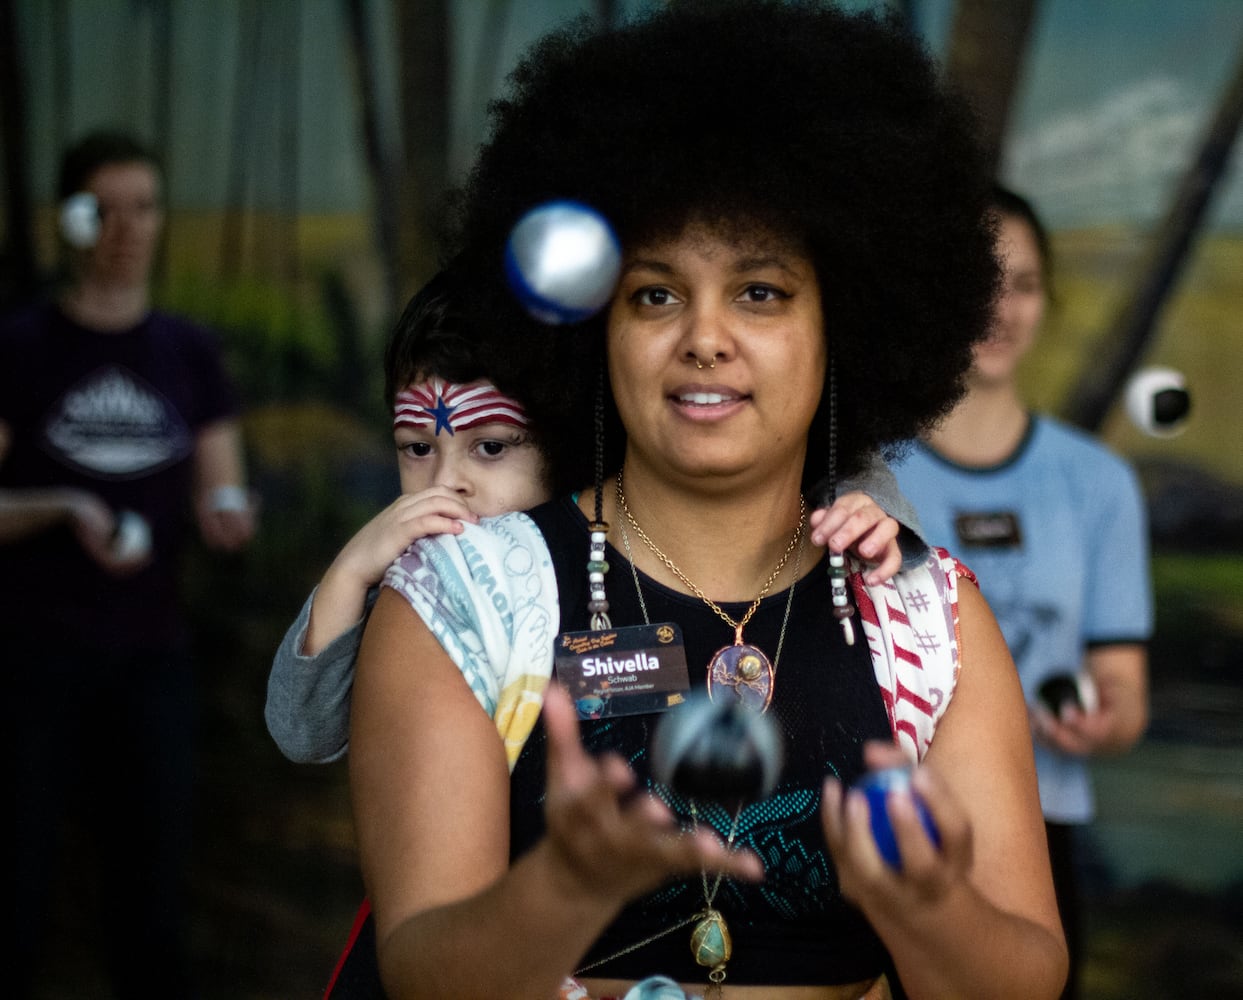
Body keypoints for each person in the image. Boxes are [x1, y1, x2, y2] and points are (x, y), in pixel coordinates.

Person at [348, 4, 1069, 999]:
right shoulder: (460, 600)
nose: (704, 337)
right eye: (654, 293)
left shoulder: (926, 612)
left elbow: (1028, 976)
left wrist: (925, 906)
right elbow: (422, 976)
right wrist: (566, 886)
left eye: (760, 292)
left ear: (844, 320)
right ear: (593, 323)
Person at [267, 262, 918, 768]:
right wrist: (353, 571)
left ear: (563, 428)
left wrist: (866, 510)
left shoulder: (621, 521)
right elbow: (303, 732)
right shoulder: (419, 579)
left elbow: (837, 474)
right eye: (415, 449)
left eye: (490, 447)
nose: (447, 484)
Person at [1, 130, 256, 998]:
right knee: (16, 897)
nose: (125, 228)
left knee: (150, 911)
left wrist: (229, 516)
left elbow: (223, 494)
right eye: (103, 210)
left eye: (142, 206)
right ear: (71, 221)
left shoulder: (188, 353)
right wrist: (61, 507)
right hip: (31, 664)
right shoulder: (21, 348)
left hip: (152, 663)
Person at [890, 185, 1152, 999]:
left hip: (1036, 837)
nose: (1003, 307)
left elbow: (1125, 692)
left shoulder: (1098, 481)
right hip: (886, 830)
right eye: (982, 280)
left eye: (1026, 283)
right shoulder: (861, 472)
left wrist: (1101, 718)